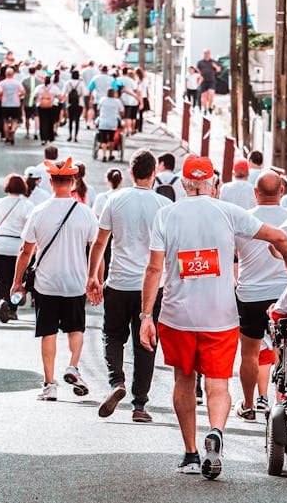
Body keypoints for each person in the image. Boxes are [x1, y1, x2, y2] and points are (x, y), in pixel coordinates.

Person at [138, 154, 287, 479]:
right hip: (220, 317)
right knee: (219, 383)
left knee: (184, 380)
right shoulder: (229, 212)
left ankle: (191, 454)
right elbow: (279, 237)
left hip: (177, 316)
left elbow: (154, 268)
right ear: (213, 184)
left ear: (183, 184)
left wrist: (145, 316)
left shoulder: (166, 215)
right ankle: (217, 432)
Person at [86, 150, 171, 423]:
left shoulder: (115, 199)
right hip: (152, 287)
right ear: (154, 173)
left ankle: (117, 382)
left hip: (119, 282)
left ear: (131, 173)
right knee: (145, 343)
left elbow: (100, 242)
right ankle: (139, 406)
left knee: (112, 335)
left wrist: (93, 277)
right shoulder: (164, 205)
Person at [11, 157, 99, 402]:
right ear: (73, 182)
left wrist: (17, 282)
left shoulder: (38, 212)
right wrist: (95, 279)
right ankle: (72, 366)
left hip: (46, 284)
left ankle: (50, 385)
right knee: (76, 329)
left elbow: (25, 251)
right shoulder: (86, 213)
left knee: (48, 333)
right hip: (75, 283)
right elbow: (96, 249)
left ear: (50, 182)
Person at [233, 171, 287, 421]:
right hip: (284, 294)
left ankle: (248, 405)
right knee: (285, 349)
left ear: (255, 193)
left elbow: (234, 256)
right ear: (282, 191)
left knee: (249, 353)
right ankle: (281, 403)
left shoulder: (242, 219)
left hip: (250, 294)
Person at [0, 174, 35, 323]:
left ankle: (2, 300)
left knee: (1, 279)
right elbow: (30, 228)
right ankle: (12, 309)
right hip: (18, 246)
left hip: (0, 246)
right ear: (23, 187)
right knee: (16, 279)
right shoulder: (28, 205)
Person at [0, 68, 25, 145]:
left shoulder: (2, 83)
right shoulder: (17, 83)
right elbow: (23, 92)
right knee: (15, 120)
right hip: (15, 104)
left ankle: (7, 138)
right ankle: (12, 130)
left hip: (5, 104)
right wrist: (18, 95)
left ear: (6, 74)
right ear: (13, 74)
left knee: (5, 121)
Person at [96, 89, 123, 161]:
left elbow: (98, 109)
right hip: (113, 123)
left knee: (103, 140)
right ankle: (110, 155)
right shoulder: (117, 101)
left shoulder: (103, 100)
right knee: (111, 139)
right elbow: (122, 111)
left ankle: (104, 155)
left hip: (103, 122)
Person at [33, 75, 62, 144]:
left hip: (41, 106)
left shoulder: (39, 87)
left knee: (42, 122)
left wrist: (38, 100)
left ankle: (43, 138)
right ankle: (50, 137)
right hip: (52, 106)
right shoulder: (54, 88)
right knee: (50, 122)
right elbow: (60, 97)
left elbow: (34, 96)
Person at [62, 70, 86, 142]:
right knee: (77, 120)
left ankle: (70, 135)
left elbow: (64, 93)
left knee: (70, 120)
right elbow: (84, 93)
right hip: (79, 103)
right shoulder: (81, 83)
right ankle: (75, 136)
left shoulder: (68, 83)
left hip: (70, 103)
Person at [196, 50, 220, 115]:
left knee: (211, 94)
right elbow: (198, 71)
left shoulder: (213, 62)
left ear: (209, 54)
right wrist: (199, 78)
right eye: (205, 53)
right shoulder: (200, 62)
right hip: (203, 81)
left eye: (207, 53)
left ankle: (209, 107)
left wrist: (215, 66)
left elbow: (219, 70)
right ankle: (205, 109)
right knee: (204, 96)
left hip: (211, 81)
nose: (206, 54)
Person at [117, 67, 139, 136]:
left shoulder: (118, 79)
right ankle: (128, 129)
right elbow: (135, 90)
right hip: (130, 100)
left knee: (121, 116)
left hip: (119, 99)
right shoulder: (131, 80)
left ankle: (123, 129)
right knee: (128, 116)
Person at [21, 67, 42, 140]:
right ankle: (36, 132)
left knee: (27, 117)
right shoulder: (39, 81)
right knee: (36, 117)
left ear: (29, 71)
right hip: (36, 101)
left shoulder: (24, 81)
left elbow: (22, 91)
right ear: (35, 71)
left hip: (27, 100)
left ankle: (27, 132)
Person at [135, 67, 150, 133]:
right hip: (144, 97)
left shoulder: (136, 80)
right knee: (141, 114)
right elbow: (147, 89)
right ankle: (140, 127)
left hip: (136, 97)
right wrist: (148, 96)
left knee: (135, 112)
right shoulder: (145, 80)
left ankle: (136, 126)